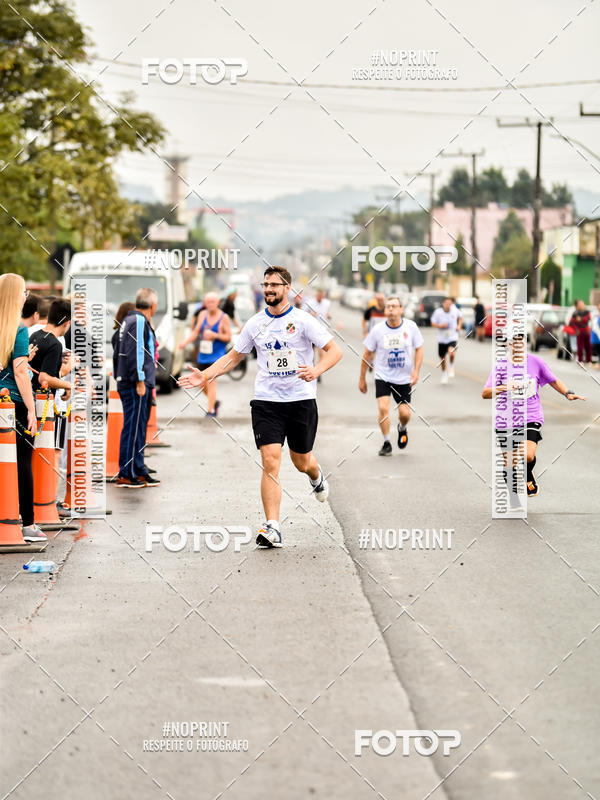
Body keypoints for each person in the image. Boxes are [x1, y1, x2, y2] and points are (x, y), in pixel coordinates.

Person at [179, 265, 343, 548]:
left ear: (287, 289)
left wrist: (316, 371)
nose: (269, 289)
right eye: (265, 285)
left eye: (274, 285)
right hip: (267, 402)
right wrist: (204, 375)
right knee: (270, 462)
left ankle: (316, 477)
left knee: (301, 461)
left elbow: (335, 350)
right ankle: (272, 526)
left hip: (301, 400)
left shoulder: (303, 321)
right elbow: (233, 357)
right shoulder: (255, 324)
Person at [482, 331, 586, 498]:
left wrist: (568, 393)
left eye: (521, 340)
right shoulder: (500, 366)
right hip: (506, 420)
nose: (518, 345)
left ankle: (527, 473)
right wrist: (505, 387)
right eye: (514, 342)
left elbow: (553, 380)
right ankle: (514, 490)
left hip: (531, 415)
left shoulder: (536, 362)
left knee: (528, 455)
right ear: (508, 344)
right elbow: (485, 393)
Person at [0, 274, 45, 542]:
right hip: (14, 404)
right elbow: (19, 372)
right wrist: (30, 408)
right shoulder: (18, 330)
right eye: (24, 292)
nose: (26, 296)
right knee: (22, 461)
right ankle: (27, 524)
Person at [358, 296, 423, 456]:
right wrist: (362, 378)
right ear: (385, 310)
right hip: (383, 375)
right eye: (388, 307)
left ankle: (402, 427)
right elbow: (367, 354)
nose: (391, 309)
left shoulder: (411, 327)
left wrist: (416, 371)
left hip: (403, 378)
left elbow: (419, 348)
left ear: (401, 309)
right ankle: (386, 442)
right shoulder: (378, 330)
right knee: (383, 407)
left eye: (394, 306)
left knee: (405, 414)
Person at [114, 288, 160, 488]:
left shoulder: (129, 320)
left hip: (131, 380)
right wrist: (140, 379)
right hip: (136, 383)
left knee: (139, 428)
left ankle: (138, 468)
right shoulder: (139, 321)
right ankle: (127, 472)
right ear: (153, 306)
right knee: (133, 428)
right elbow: (136, 352)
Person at [178, 292, 231, 417]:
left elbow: (228, 337)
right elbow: (196, 332)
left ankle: (210, 410)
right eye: (208, 302)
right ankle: (214, 402)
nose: (211, 304)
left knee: (211, 382)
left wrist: (215, 335)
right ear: (205, 304)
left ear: (218, 303)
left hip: (217, 355)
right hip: (203, 355)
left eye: (213, 302)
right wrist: (184, 342)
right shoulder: (202, 315)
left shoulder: (224, 317)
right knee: (201, 383)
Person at [29, 299, 73, 394]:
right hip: (41, 401)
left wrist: (63, 386)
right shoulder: (55, 345)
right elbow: (44, 378)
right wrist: (70, 386)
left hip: (29, 395)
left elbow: (42, 370)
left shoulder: (35, 335)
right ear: (67, 323)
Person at [431, 297, 462, 384]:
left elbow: (460, 317)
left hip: (452, 336)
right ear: (443, 304)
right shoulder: (438, 312)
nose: (449, 305)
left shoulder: (455, 310)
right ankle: (444, 373)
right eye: (447, 303)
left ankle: (451, 366)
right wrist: (440, 326)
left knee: (451, 352)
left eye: (450, 303)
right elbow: (432, 323)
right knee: (443, 359)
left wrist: (459, 325)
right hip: (442, 338)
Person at [570, 299, 591, 364]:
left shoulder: (587, 312)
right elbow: (571, 323)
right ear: (577, 306)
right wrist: (576, 329)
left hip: (587, 331)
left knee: (589, 346)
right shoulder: (575, 313)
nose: (581, 305)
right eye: (579, 304)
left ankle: (589, 360)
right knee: (580, 347)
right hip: (579, 332)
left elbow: (588, 319)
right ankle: (580, 360)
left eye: (582, 304)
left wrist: (581, 319)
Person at [591, 302, 600, 370]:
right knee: (597, 350)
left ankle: (598, 363)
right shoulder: (595, 315)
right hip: (596, 337)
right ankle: (598, 363)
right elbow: (595, 327)